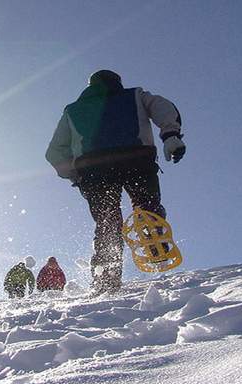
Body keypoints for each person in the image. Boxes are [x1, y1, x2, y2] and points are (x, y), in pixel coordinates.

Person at [45, 69, 185, 295]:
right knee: (146, 205)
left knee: (107, 222)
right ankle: (156, 246)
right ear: (117, 82)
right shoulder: (135, 95)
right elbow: (163, 107)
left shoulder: (72, 110)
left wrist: (74, 174)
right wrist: (171, 135)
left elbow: (54, 152)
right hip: (136, 158)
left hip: (94, 167)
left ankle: (106, 276)